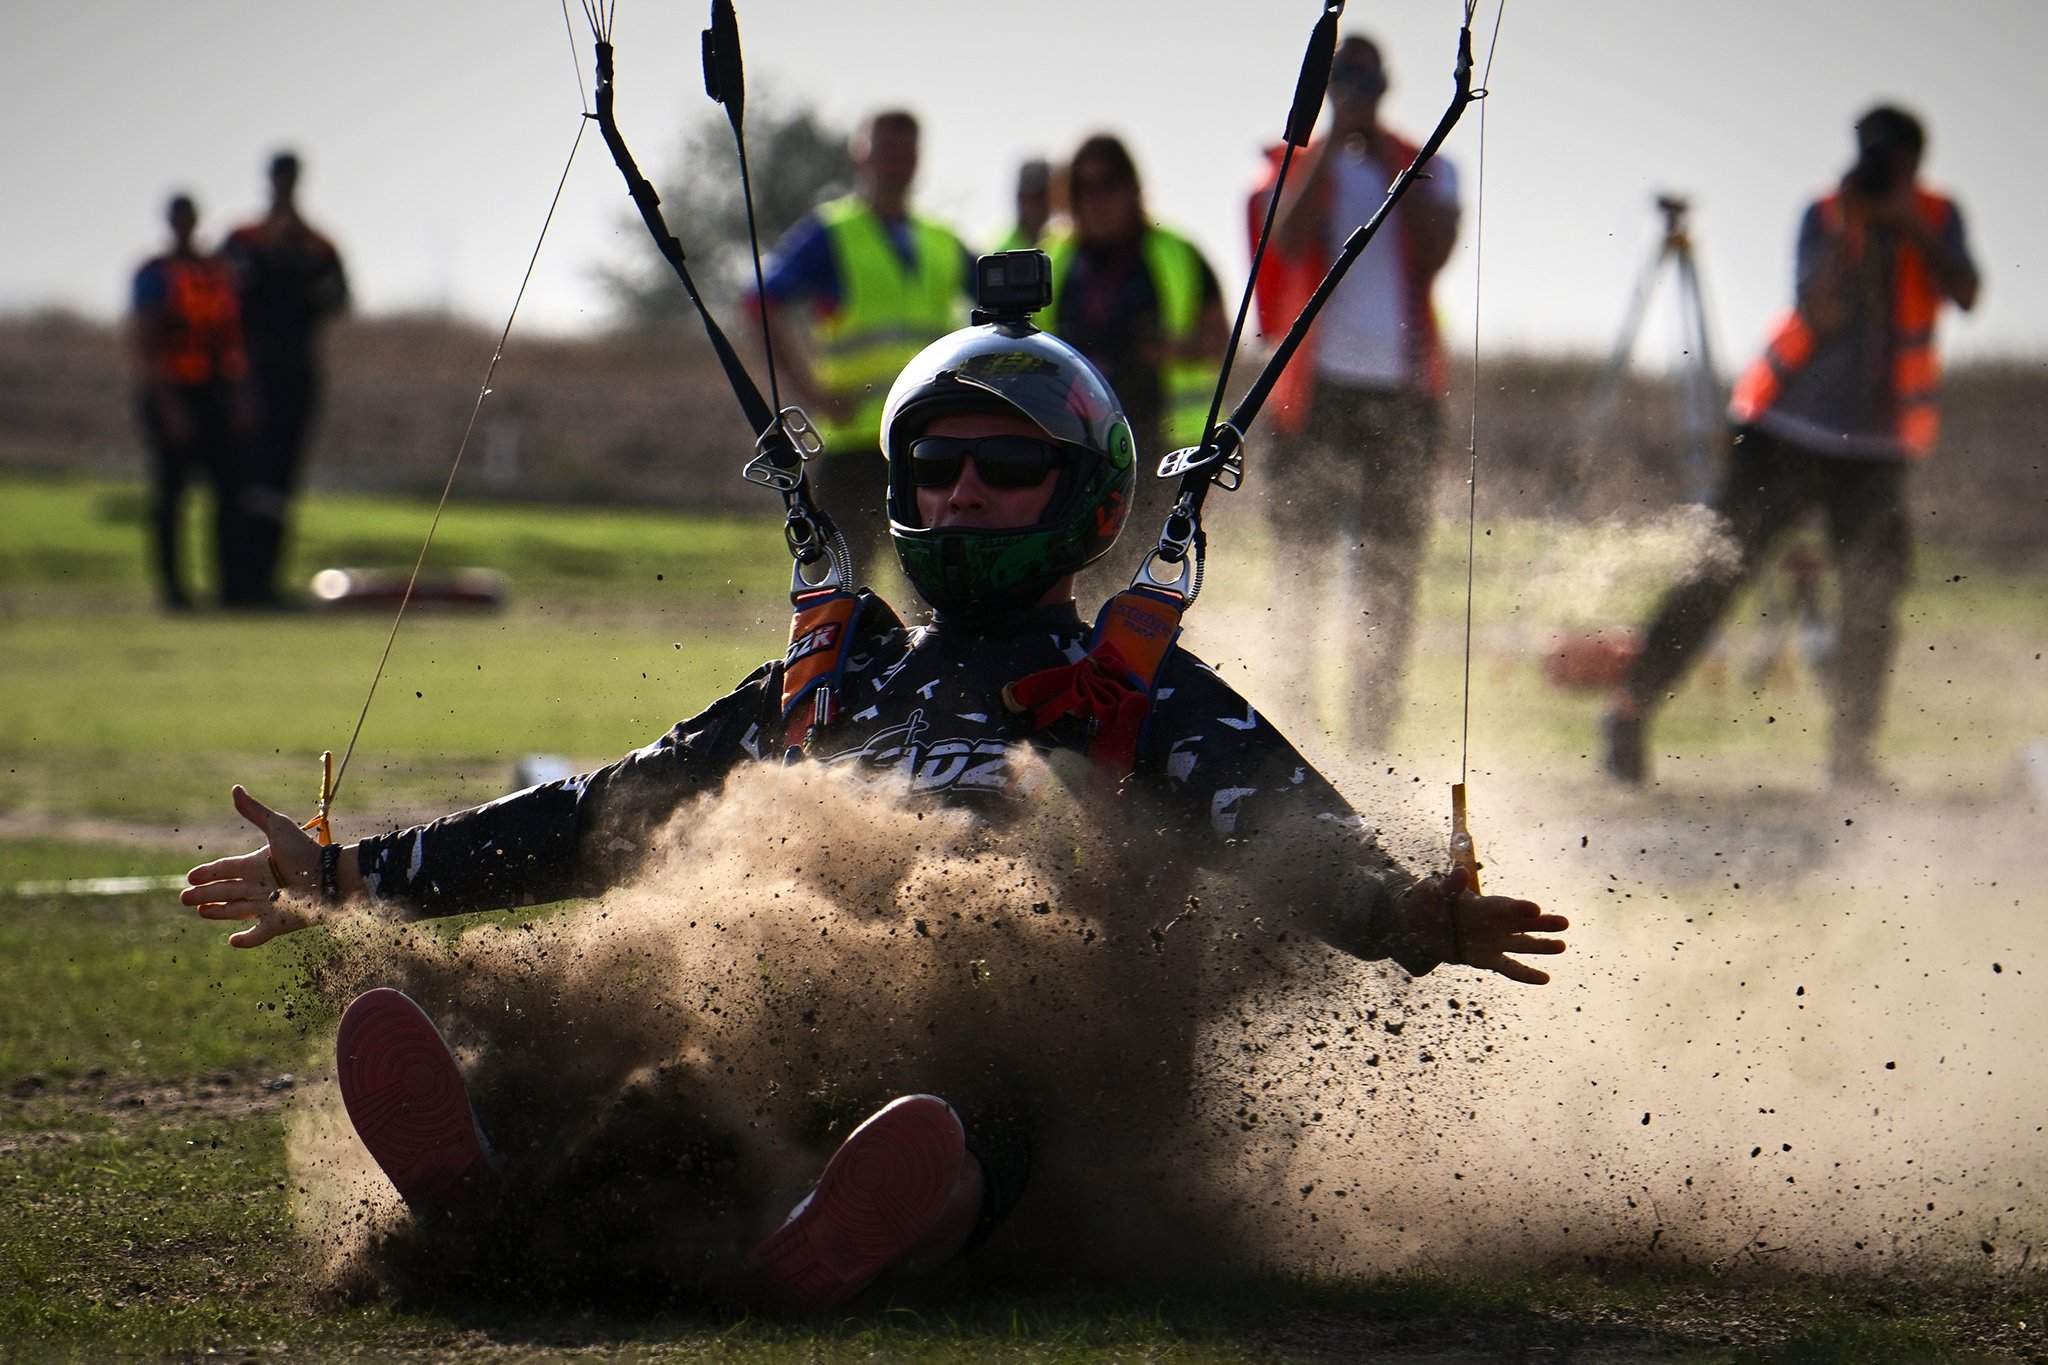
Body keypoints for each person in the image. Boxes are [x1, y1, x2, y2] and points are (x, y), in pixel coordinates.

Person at [183, 317, 1567, 1311]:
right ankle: (492, 1179)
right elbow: (601, 813)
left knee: (968, 1100)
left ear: (1084, 504)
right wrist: (352, 871)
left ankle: (868, 1225)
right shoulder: (828, 675)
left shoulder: (1133, 688)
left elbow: (1282, 823)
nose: (959, 493)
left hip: (1005, 1051)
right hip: (746, 1024)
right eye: (932, 469)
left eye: (1001, 469)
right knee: (590, 1012)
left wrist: (1404, 912)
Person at [1602, 105, 1979, 788]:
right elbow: (1820, 309)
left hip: (1877, 446)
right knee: (1716, 572)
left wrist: (1908, 224)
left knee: (1872, 597)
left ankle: (1852, 755)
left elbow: (1967, 290)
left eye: (1889, 157)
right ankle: (1628, 712)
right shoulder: (1827, 213)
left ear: (1915, 164)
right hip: (1785, 434)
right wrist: (1860, 231)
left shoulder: (1937, 215)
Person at [1250, 34, 1461, 750]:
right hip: (1313, 399)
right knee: (1300, 566)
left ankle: (1372, 735)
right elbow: (1283, 241)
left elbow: (1436, 251)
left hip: (1399, 400)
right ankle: (1294, 724)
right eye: (1345, 78)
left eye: (1367, 79)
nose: (1358, 90)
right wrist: (1335, 134)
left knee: (1390, 575)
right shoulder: (1298, 168)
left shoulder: (1422, 165)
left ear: (1388, 85)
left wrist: (1389, 159)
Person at [755, 110, 974, 578]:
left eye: (907, 151)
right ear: (861, 155)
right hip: (855, 439)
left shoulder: (941, 239)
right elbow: (759, 302)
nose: (897, 162)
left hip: (930, 442)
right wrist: (810, 392)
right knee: (839, 586)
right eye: (886, 149)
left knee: (941, 589)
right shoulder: (831, 232)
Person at [1034, 134, 1227, 533]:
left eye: (1109, 184)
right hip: (1077, 447)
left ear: (1132, 188)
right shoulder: (1054, 258)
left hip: (1166, 447)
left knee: (1154, 561)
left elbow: (1219, 344)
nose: (1097, 199)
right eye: (1084, 188)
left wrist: (1158, 348)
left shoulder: (1177, 252)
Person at [222, 150, 351, 607]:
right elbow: (226, 303)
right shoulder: (244, 239)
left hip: (296, 374)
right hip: (248, 373)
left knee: (281, 483)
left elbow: (339, 298)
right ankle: (236, 584)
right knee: (243, 482)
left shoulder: (316, 244)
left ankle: (266, 582)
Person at [130, 193, 250, 611]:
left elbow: (230, 339)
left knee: (228, 495)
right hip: (174, 392)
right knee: (171, 496)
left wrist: (237, 397)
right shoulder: (155, 273)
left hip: (214, 391)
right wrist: (169, 407)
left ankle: (230, 587)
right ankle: (174, 591)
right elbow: (147, 343)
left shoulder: (217, 272)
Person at [992, 157, 1052, 252]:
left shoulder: (1066, 244)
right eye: (1030, 197)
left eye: (1041, 196)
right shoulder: (999, 250)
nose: (1035, 206)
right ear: (1019, 198)